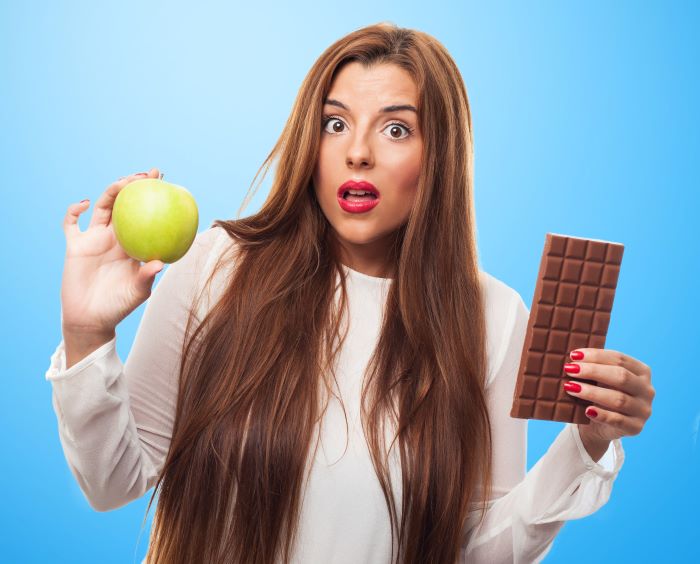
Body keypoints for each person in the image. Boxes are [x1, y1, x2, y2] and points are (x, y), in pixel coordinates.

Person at [45, 22, 655, 564]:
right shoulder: (216, 267)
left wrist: (588, 443)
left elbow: (478, 550)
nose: (356, 152)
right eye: (335, 124)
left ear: (439, 155)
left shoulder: (492, 316)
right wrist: (87, 332)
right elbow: (113, 481)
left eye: (395, 129)